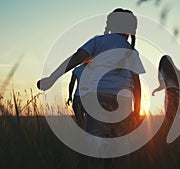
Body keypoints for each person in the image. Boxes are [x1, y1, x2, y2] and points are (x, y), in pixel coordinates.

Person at [37, 8, 145, 169]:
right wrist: (136, 110)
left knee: (93, 145)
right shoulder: (132, 51)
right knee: (118, 147)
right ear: (130, 30)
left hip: (97, 98)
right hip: (123, 101)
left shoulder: (98, 41)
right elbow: (136, 83)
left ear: (110, 25)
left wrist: (51, 78)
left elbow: (76, 58)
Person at [152, 55, 180, 123]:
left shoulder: (162, 71)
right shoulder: (176, 72)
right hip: (179, 94)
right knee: (176, 117)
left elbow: (162, 85)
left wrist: (155, 90)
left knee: (169, 118)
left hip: (170, 93)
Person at [67, 57, 93, 129]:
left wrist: (70, 96)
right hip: (87, 97)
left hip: (79, 97)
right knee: (89, 121)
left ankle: (82, 136)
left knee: (80, 121)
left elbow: (71, 84)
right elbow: (71, 84)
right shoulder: (94, 69)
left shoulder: (77, 69)